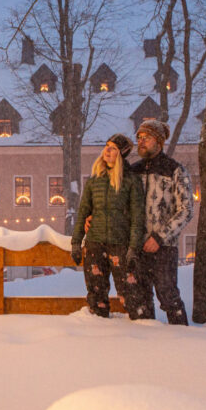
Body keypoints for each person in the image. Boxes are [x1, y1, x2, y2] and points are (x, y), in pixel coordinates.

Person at [71, 134, 145, 318]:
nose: (107, 150)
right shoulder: (95, 179)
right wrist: (76, 241)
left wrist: (134, 247)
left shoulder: (131, 180)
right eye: (106, 145)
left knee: (129, 293)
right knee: (96, 295)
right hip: (95, 242)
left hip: (120, 244)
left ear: (121, 154)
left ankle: (142, 332)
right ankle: (99, 333)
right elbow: (83, 211)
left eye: (113, 148)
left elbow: (138, 216)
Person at [131, 119, 193, 325]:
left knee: (168, 297)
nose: (141, 142)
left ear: (158, 141)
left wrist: (159, 237)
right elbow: (119, 204)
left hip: (164, 247)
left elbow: (186, 210)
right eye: (139, 138)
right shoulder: (133, 171)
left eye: (146, 138)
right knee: (140, 301)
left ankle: (182, 339)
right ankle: (146, 347)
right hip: (136, 246)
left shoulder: (175, 170)